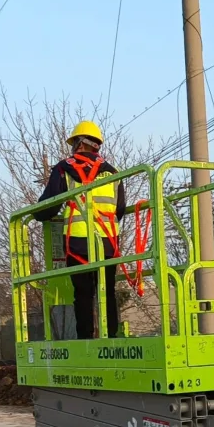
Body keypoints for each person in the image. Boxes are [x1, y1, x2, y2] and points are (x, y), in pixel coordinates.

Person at [34, 120, 127, 340]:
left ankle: (86, 339)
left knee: (83, 294)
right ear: (97, 145)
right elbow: (120, 209)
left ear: (78, 143)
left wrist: (38, 215)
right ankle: (111, 337)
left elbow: (48, 206)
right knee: (107, 292)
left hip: (78, 242)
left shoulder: (65, 168)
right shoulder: (113, 172)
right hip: (107, 243)